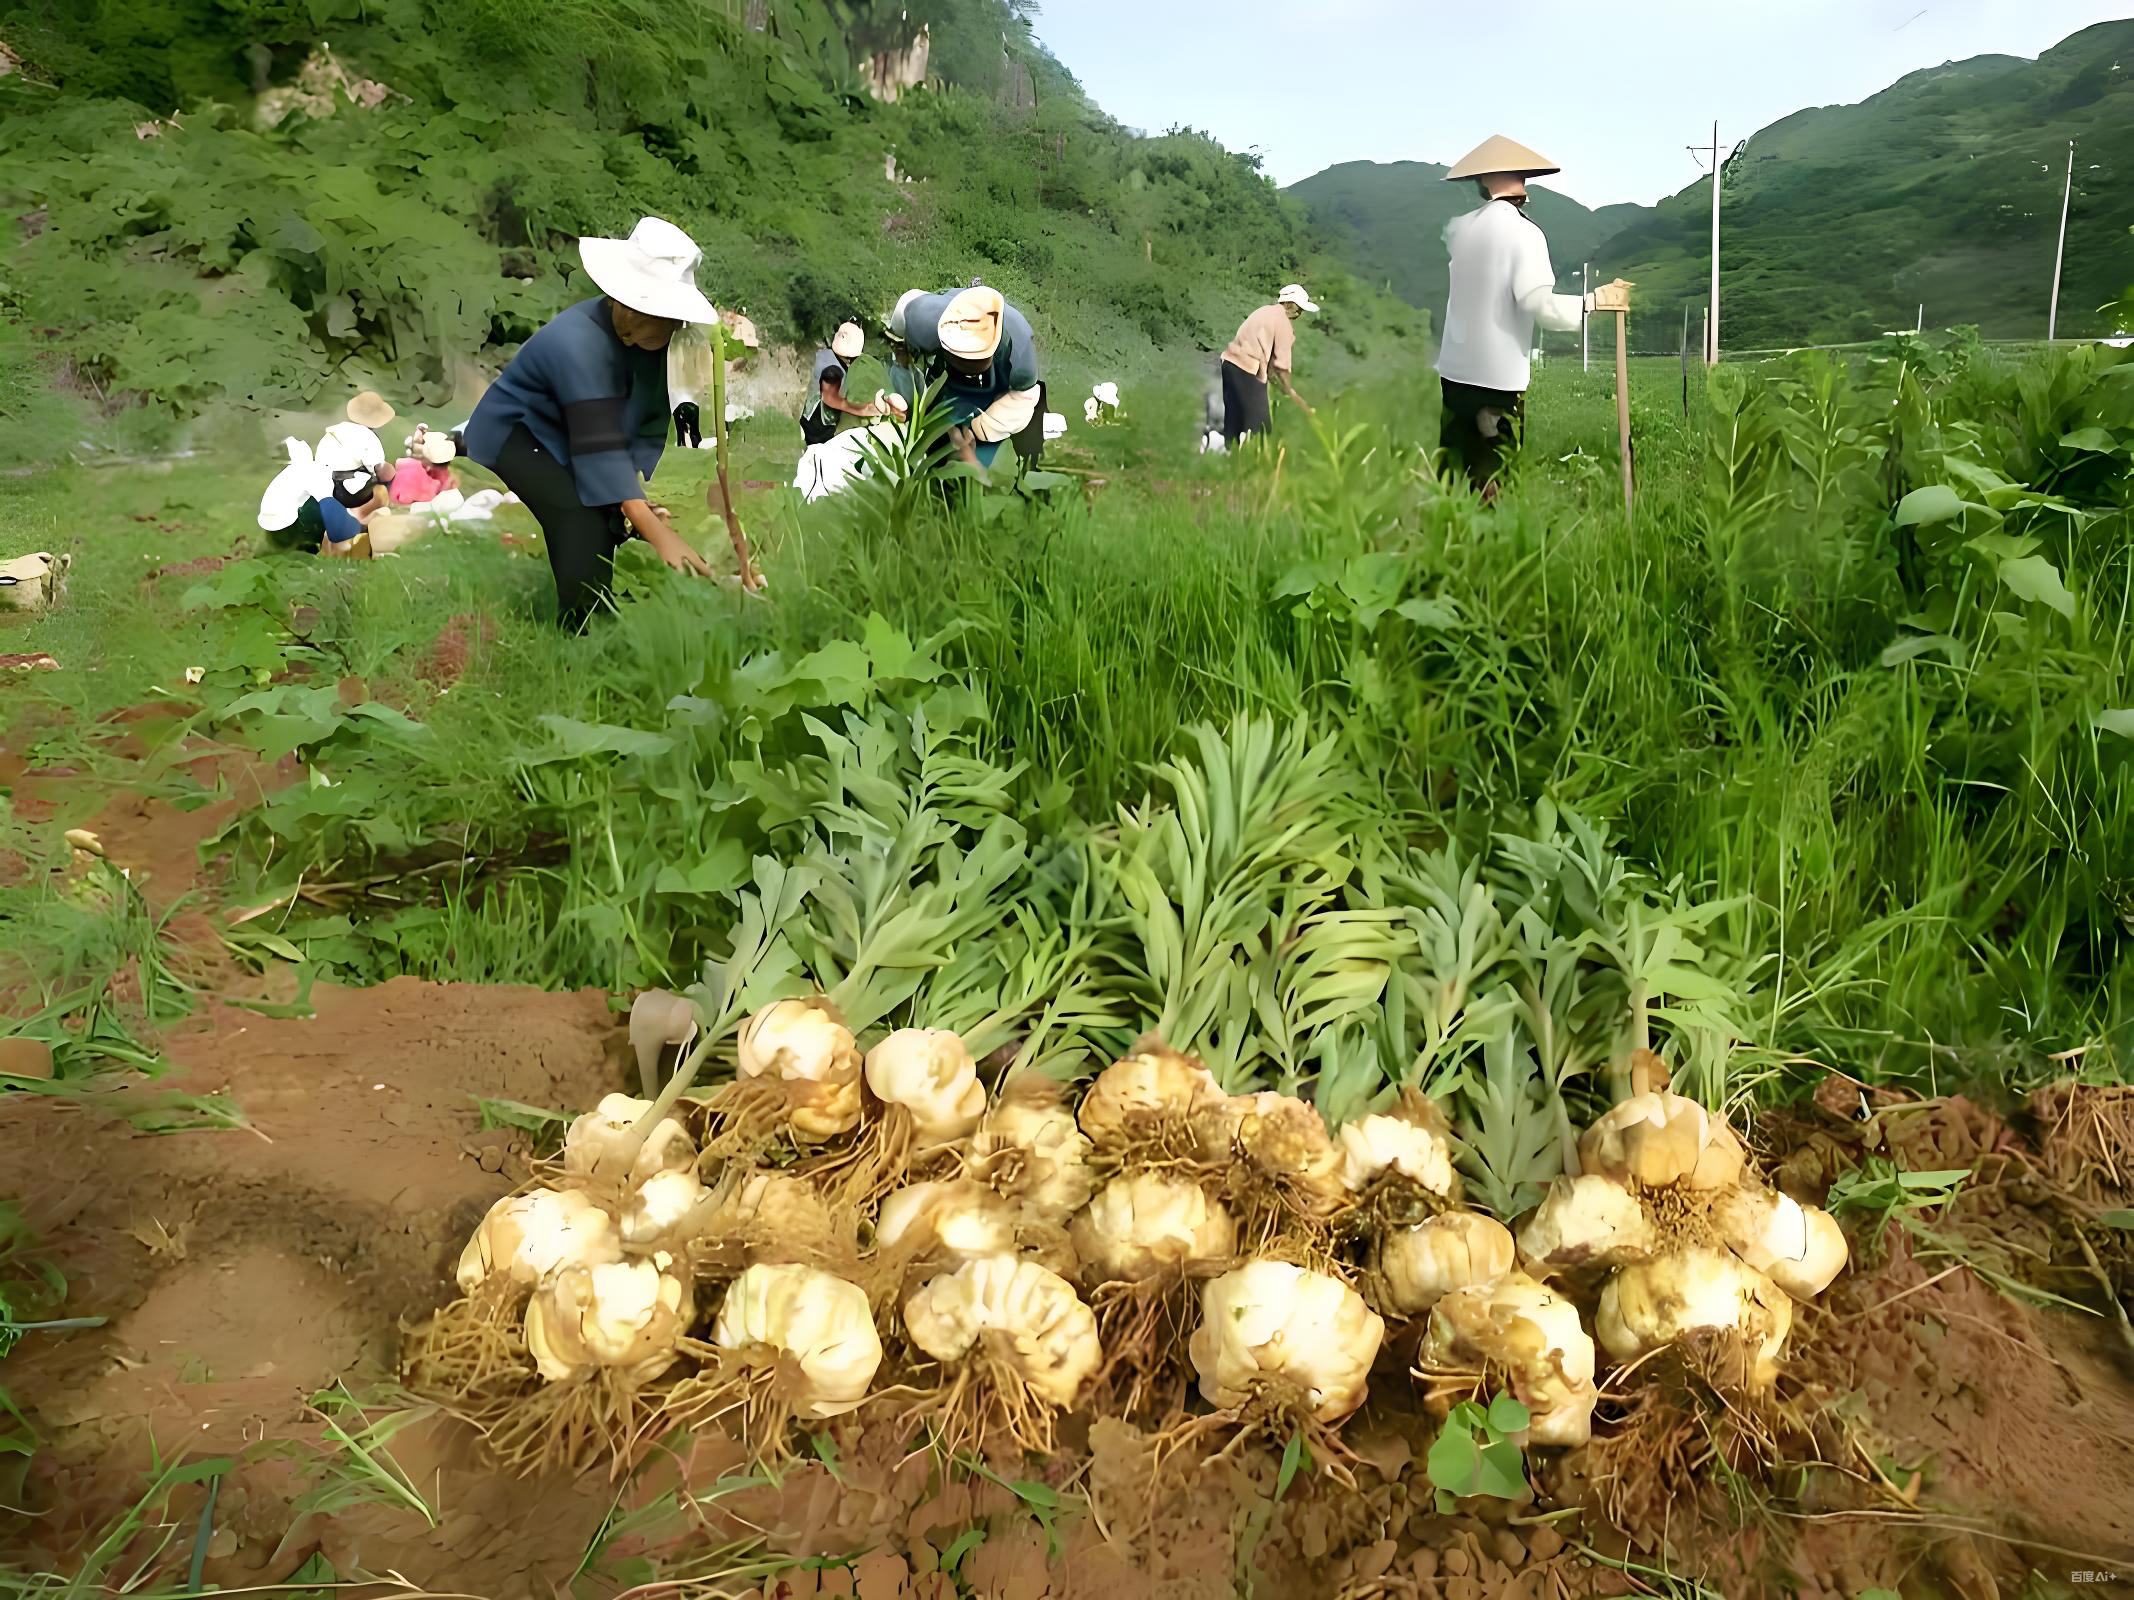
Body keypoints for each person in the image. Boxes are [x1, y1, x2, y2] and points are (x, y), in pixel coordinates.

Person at [462, 216, 758, 627]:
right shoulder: (577, 342)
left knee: (607, 511)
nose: (676, 325)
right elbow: (599, 445)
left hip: (566, 430)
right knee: (577, 513)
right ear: (632, 306)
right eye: (666, 314)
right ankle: (585, 628)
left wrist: (633, 501)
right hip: (514, 432)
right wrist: (658, 534)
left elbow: (636, 418)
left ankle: (599, 604)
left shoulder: (647, 340)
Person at [1437, 135, 1630, 503]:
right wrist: (1593, 301)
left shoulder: (1462, 229)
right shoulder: (1524, 232)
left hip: (1454, 373)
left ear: (1483, 179)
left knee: (1451, 476)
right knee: (1492, 482)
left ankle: (1440, 551)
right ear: (1523, 178)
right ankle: (1488, 556)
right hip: (1495, 380)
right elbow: (1538, 303)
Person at [888, 285, 1042, 470]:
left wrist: (980, 429)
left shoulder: (1020, 353)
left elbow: (1022, 399)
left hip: (998, 380)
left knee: (988, 434)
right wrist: (903, 378)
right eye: (961, 360)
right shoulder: (920, 320)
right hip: (937, 351)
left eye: (975, 362)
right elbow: (898, 343)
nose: (969, 370)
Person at [1220, 285, 1319, 443]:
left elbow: (1270, 367)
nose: (1300, 313)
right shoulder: (1283, 323)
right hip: (1247, 370)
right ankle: (1256, 461)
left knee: (1234, 421)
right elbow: (1281, 366)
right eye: (1299, 308)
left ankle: (1225, 454)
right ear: (1287, 303)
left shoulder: (1264, 311)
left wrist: (1280, 386)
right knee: (1261, 429)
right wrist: (1288, 389)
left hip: (1229, 365)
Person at [800, 322, 888, 447]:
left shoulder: (826, 354)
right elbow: (831, 399)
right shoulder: (833, 369)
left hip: (810, 416)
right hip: (819, 424)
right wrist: (864, 410)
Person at [666, 322, 714, 449]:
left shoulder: (675, 336)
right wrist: (706, 381)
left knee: (681, 413)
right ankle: (690, 438)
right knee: (692, 418)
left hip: (678, 385)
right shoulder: (698, 336)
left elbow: (672, 361)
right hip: (691, 385)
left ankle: (684, 438)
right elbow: (706, 361)